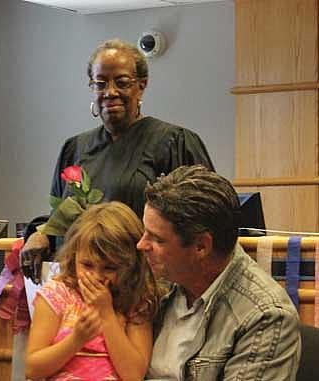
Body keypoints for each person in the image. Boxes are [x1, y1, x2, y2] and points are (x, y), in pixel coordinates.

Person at [21, 38, 214, 283]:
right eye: (100, 83)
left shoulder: (174, 142)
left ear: (141, 86)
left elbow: (205, 220)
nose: (110, 92)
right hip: (84, 283)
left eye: (122, 82)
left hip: (147, 284)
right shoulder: (75, 149)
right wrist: (41, 234)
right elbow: (60, 215)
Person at [137, 165, 300, 380]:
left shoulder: (265, 316)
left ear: (201, 247)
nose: (141, 245)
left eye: (157, 239)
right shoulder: (159, 283)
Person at [25, 202, 162, 381]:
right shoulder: (56, 295)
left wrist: (106, 313)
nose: (96, 276)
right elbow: (33, 369)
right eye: (87, 265)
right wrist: (76, 340)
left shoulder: (136, 302)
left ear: (130, 265)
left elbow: (134, 374)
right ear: (74, 255)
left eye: (109, 268)